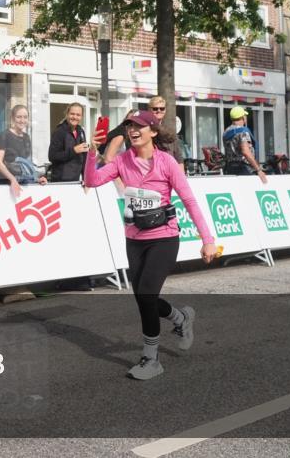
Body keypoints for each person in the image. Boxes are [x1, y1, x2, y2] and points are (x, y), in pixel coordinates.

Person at [86, 110, 218, 380]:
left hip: (164, 238)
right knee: (143, 298)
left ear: (153, 132)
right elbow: (92, 180)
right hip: (134, 240)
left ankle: (151, 359)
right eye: (129, 126)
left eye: (139, 126)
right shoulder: (123, 161)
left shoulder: (166, 162)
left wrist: (208, 240)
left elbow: (190, 201)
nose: (132, 130)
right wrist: (91, 153)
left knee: (146, 294)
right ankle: (180, 318)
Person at [0, 104, 47, 198]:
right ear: (13, 118)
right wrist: (12, 179)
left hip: (23, 184)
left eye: (25, 117)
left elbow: (27, 164)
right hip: (6, 185)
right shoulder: (5, 135)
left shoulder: (26, 137)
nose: (22, 120)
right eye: (19, 117)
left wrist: (36, 178)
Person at [221, 107, 268, 183]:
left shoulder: (226, 132)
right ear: (243, 117)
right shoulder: (242, 132)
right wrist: (258, 169)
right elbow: (245, 151)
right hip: (243, 168)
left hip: (229, 168)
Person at [48, 103, 88, 182]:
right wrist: (74, 151)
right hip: (61, 181)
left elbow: (84, 157)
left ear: (82, 117)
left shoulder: (81, 131)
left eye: (78, 115)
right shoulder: (59, 132)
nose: (75, 117)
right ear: (67, 114)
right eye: (72, 114)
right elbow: (52, 156)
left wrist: (85, 178)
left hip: (76, 180)